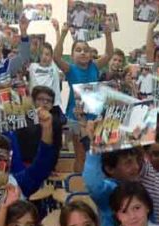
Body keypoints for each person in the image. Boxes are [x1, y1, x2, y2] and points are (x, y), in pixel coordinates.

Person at [53, 19, 114, 172]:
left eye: (86, 50)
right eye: (78, 50)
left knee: (95, 155)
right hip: (76, 117)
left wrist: (108, 34)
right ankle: (78, 186)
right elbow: (56, 57)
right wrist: (63, 34)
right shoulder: (70, 69)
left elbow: (109, 54)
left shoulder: (95, 66)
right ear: (72, 55)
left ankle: (92, 187)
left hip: (95, 116)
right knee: (80, 155)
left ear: (90, 54)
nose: (83, 52)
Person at [82, 146, 142, 226]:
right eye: (128, 163)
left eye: (136, 161)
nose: (136, 167)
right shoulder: (109, 190)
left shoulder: (138, 188)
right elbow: (93, 185)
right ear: (110, 169)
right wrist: (94, 149)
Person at [28, 41, 62, 107]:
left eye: (47, 54)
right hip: (36, 106)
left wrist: (59, 32)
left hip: (52, 106)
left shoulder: (54, 67)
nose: (44, 57)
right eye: (41, 54)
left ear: (52, 57)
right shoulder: (32, 67)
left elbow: (58, 53)